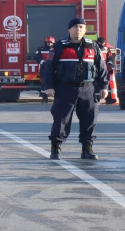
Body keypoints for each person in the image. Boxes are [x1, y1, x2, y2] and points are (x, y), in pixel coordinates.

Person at [44, 18, 108, 160]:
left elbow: (102, 68)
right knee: (61, 119)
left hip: (88, 89)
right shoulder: (59, 46)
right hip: (65, 88)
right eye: (74, 27)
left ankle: (87, 149)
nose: (77, 30)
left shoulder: (93, 46)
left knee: (89, 119)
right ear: (69, 30)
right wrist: (49, 87)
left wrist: (104, 86)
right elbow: (49, 68)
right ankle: (56, 148)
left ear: (85, 30)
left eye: (81, 27)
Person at [96, 37, 118, 104]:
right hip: (96, 70)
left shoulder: (107, 49)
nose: (102, 44)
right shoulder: (94, 48)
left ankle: (109, 99)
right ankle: (97, 98)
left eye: (103, 43)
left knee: (107, 84)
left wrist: (110, 64)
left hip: (105, 69)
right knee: (97, 85)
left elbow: (111, 58)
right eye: (100, 43)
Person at [34, 36, 55, 103]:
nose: (50, 44)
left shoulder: (56, 49)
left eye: (51, 43)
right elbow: (36, 57)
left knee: (55, 83)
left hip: (53, 68)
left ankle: (56, 98)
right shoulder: (41, 49)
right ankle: (44, 97)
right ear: (45, 42)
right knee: (43, 82)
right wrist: (41, 61)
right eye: (48, 43)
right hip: (44, 68)